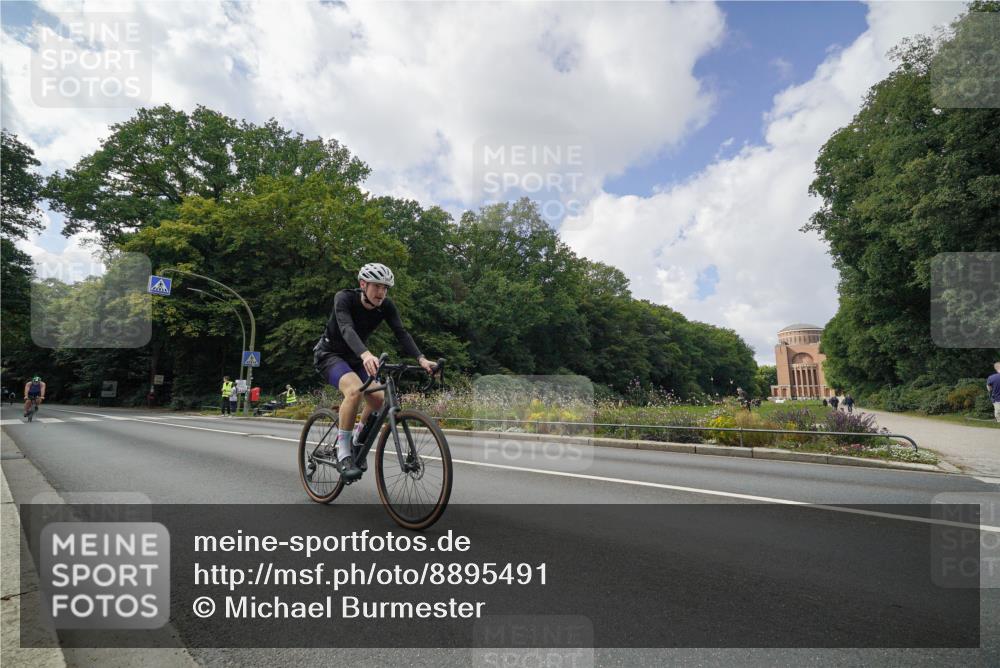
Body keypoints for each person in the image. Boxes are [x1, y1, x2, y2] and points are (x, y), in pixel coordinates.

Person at [313, 263, 435, 480]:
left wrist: (422, 359)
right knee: (354, 392)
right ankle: (343, 453)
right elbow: (346, 329)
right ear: (363, 284)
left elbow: (401, 333)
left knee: (379, 400)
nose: (382, 292)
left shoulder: (386, 306)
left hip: (356, 359)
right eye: (377, 286)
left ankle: (358, 438)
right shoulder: (344, 298)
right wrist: (366, 354)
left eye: (385, 288)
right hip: (330, 355)